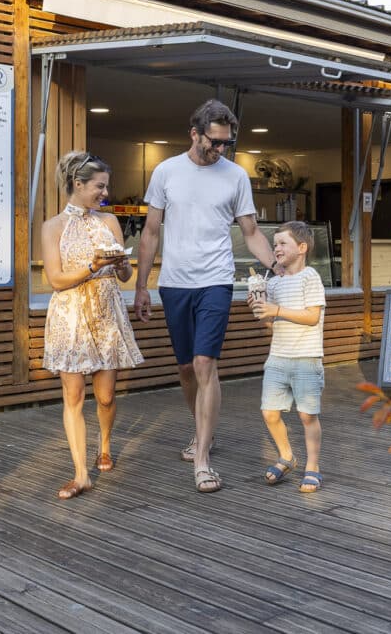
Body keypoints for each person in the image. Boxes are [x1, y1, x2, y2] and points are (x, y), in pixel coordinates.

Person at [133, 99, 277, 493]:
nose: (221, 149)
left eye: (227, 143)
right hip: (175, 283)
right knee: (185, 368)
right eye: (214, 142)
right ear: (194, 134)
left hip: (216, 280)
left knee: (204, 362)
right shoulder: (166, 172)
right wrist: (142, 286)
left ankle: (202, 461)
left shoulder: (236, 176)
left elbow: (251, 232)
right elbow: (150, 232)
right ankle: (202, 432)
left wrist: (276, 266)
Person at [42, 151, 143, 500]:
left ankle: (105, 444)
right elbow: (56, 280)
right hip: (70, 316)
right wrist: (93, 265)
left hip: (106, 313)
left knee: (106, 396)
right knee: (73, 396)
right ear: (78, 184)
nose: (105, 193)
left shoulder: (110, 221)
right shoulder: (52, 227)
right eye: (99, 186)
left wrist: (121, 266)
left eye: (106, 186)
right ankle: (81, 473)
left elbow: (125, 275)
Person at [249, 221, 326, 493]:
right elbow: (271, 322)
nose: (276, 248)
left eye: (283, 243)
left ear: (302, 248)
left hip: (306, 357)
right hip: (278, 357)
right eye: (275, 243)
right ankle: (286, 457)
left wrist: (277, 310)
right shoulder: (273, 283)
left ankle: (313, 466)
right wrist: (261, 310)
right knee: (269, 413)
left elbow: (312, 316)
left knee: (307, 416)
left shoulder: (310, 277)